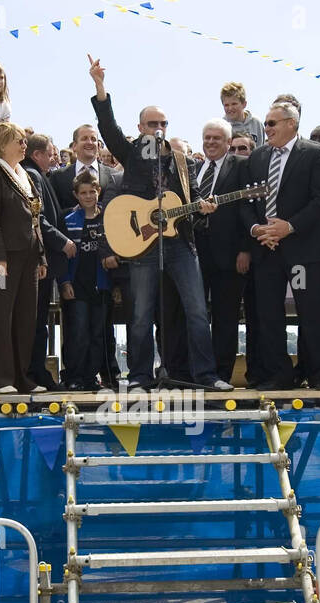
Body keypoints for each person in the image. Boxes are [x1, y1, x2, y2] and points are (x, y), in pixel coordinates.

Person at [87, 54, 232, 391]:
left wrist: (203, 209)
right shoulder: (132, 153)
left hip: (180, 244)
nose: (158, 129)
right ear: (140, 128)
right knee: (140, 316)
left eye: (163, 124)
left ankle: (206, 376)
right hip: (144, 247)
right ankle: (139, 377)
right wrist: (100, 87)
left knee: (197, 310)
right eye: (152, 124)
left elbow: (193, 198)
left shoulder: (182, 161)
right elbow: (107, 128)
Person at [237, 101, 320, 390]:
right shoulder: (257, 158)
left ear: (291, 123)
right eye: (266, 123)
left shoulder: (316, 154)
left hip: (303, 250)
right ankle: (278, 374)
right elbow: (246, 203)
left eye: (272, 123)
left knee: (312, 311)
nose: (266, 129)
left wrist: (288, 227)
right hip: (266, 250)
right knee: (268, 314)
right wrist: (258, 230)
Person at [0, 121, 45, 394]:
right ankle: (0, 379)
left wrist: (41, 256)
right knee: (0, 317)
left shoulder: (25, 175)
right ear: (3, 144)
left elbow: (35, 217)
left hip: (28, 258)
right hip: (2, 261)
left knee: (25, 318)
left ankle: (22, 378)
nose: (24, 145)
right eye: (18, 140)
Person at [195, 118, 249, 385]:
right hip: (194, 254)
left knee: (226, 317)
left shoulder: (240, 166)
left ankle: (221, 373)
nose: (211, 143)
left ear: (228, 143)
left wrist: (245, 249)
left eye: (217, 138)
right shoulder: (194, 169)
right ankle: (199, 371)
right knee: (195, 315)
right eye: (207, 138)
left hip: (230, 255)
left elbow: (248, 210)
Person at [22, 133, 78, 390]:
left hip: (44, 261)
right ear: (37, 155)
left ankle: (37, 371)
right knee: (36, 322)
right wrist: (63, 242)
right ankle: (35, 372)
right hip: (40, 260)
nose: (55, 157)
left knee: (39, 320)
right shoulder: (33, 176)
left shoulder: (40, 176)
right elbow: (39, 219)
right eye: (50, 153)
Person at [59, 170, 114, 391]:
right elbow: (62, 258)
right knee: (78, 333)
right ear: (76, 195)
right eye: (84, 193)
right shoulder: (69, 220)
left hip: (101, 285)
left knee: (98, 334)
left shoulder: (108, 220)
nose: (89, 196)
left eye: (92, 191)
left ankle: (91, 377)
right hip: (77, 286)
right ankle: (74, 376)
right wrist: (64, 282)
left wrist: (115, 285)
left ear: (99, 192)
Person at [50, 124, 119, 211]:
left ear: (98, 146)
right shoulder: (58, 177)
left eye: (93, 139)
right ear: (74, 146)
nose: (89, 142)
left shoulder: (114, 176)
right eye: (84, 138)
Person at [220, 82, 264, 151]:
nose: (230, 108)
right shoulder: (221, 127)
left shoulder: (256, 123)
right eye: (226, 105)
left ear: (244, 104)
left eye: (234, 104)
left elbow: (261, 149)